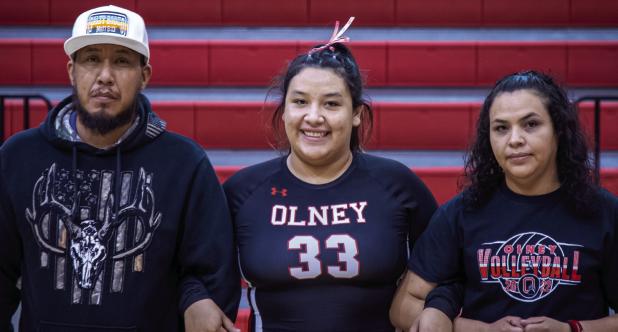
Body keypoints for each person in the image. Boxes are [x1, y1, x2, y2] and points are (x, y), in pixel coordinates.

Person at [0, 5, 240, 332]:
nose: (105, 76)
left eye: (123, 61)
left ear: (145, 75)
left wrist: (196, 298)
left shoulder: (184, 164)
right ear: (71, 70)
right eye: (91, 59)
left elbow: (212, 277)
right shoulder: (18, 158)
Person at [223, 18, 438, 332]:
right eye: (299, 102)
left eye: (331, 104)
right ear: (284, 111)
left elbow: (447, 270)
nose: (314, 117)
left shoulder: (398, 186)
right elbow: (200, 277)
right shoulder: (242, 192)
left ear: (355, 115)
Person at [390, 71, 618, 332]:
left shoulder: (604, 213)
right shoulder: (461, 213)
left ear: (559, 130)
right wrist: (480, 330)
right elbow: (402, 308)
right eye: (501, 128)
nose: (515, 139)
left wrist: (572, 329)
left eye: (530, 124)